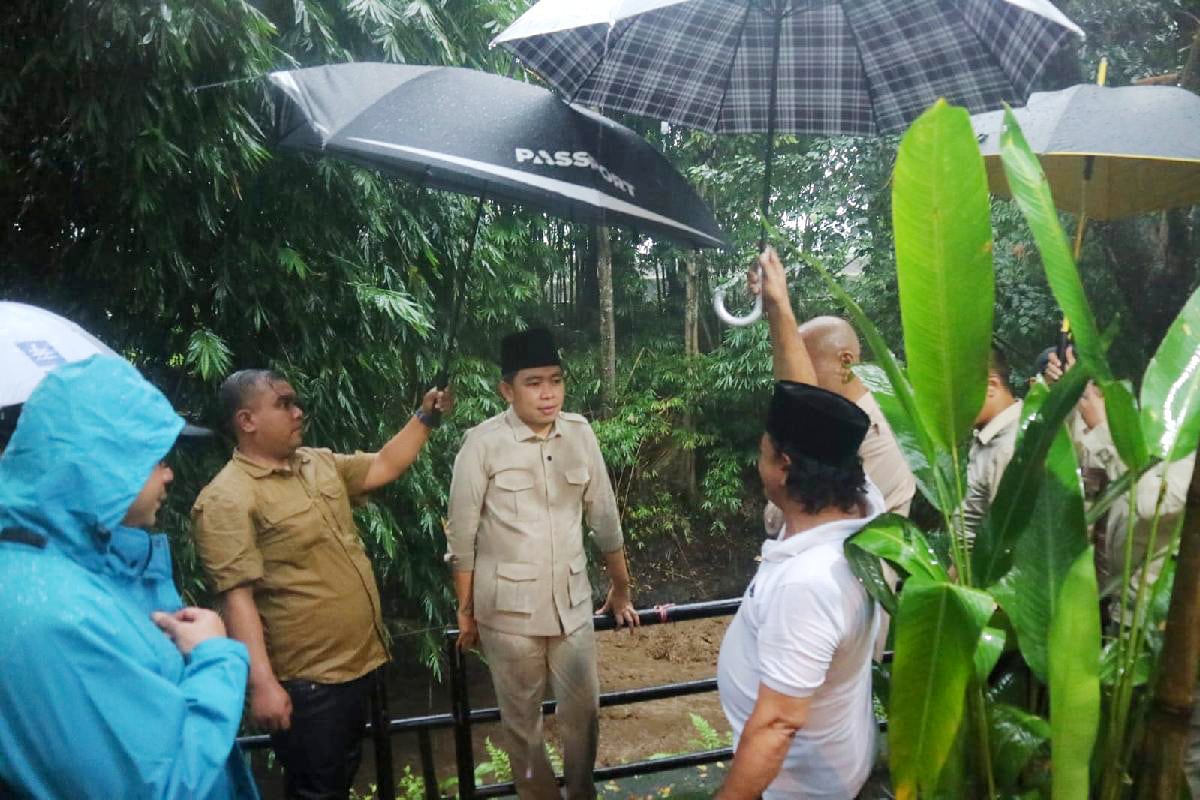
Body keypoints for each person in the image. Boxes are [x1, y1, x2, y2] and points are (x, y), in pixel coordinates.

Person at [0, 355, 258, 799]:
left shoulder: (61, 570)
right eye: (155, 459)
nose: (169, 474)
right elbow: (159, 786)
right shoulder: (58, 616)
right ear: (103, 464)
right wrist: (217, 657)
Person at [191, 369, 452, 799]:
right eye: (283, 404)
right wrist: (262, 685)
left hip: (361, 663)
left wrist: (425, 417)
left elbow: (384, 465)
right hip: (308, 683)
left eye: (296, 402)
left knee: (340, 779)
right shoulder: (227, 498)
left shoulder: (317, 463)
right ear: (247, 420)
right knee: (317, 790)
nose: (298, 412)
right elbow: (237, 599)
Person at [715, 248, 884, 800]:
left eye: (764, 452)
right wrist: (778, 309)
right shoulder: (862, 505)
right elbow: (809, 408)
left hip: (798, 788)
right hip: (831, 768)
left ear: (784, 467)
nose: (758, 462)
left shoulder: (810, 582)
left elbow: (777, 725)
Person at [445, 327, 639, 800]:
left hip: (572, 606)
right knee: (522, 726)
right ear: (507, 390)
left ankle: (581, 794)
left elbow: (604, 517)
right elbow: (462, 537)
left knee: (584, 715)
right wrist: (466, 609)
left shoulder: (580, 433)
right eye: (533, 383)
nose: (548, 393)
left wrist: (621, 588)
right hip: (508, 615)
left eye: (555, 380)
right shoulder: (481, 444)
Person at [1043, 349, 1195, 601]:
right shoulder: (1149, 430)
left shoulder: (1188, 446)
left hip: (1144, 609)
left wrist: (1103, 430)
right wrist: (1066, 397)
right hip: (1102, 591)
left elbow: (1152, 504)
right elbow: (1069, 457)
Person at [962, 346, 1023, 541]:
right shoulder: (988, 436)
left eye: (959, 394)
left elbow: (1007, 538)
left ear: (991, 386)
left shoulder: (1008, 447)